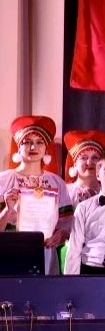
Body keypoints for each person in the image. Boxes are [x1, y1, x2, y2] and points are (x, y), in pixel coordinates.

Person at [0, 116, 72, 274]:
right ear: (19, 147)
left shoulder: (56, 182)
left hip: (45, 251)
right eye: (27, 142)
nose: (33, 146)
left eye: (39, 142)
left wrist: (61, 234)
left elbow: (66, 222)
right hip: (9, 251)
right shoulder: (3, 180)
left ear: (46, 148)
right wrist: (7, 210)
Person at [63, 129, 105, 205]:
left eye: (95, 158)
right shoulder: (66, 193)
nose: (89, 162)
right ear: (75, 164)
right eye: (83, 158)